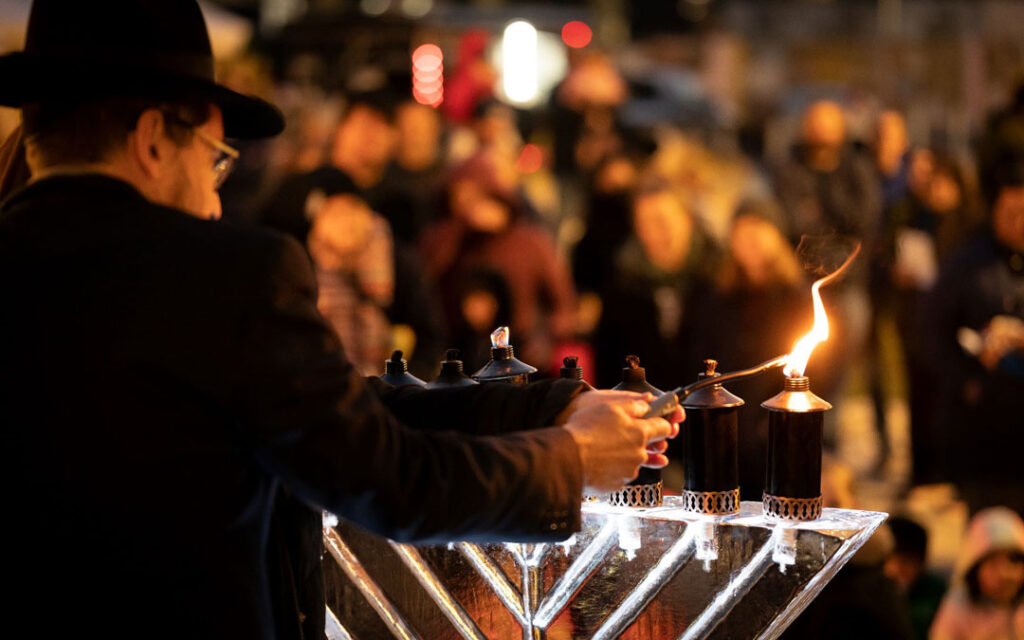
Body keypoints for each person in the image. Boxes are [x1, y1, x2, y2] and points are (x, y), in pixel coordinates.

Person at [0, 3, 680, 639]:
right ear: (153, 139)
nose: (214, 202)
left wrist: (545, 406)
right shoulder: (223, 275)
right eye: (213, 159)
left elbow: (343, 413)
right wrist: (571, 461)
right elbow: (387, 476)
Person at [930, 507, 1024, 640]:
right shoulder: (958, 605)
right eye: (993, 563)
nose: (1004, 574)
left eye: (1014, 560)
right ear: (974, 568)